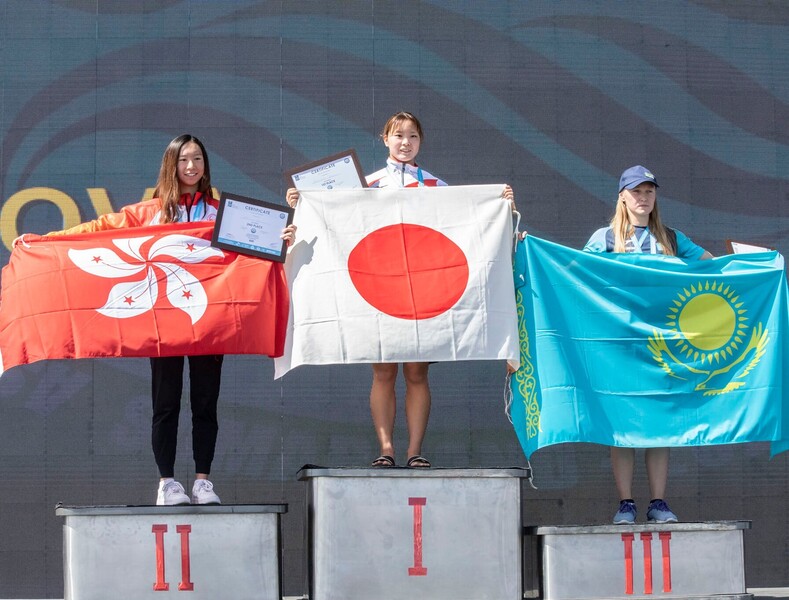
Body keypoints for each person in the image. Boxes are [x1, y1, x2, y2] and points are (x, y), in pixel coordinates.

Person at [17, 134, 296, 505]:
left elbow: (259, 251)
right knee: (165, 403)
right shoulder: (150, 212)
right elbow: (99, 229)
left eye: (198, 159)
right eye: (184, 160)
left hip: (208, 320)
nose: (192, 167)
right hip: (162, 321)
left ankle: (202, 482)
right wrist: (47, 238)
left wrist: (284, 238)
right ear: (171, 165)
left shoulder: (222, 213)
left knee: (205, 403)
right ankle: (167, 483)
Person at [286, 111, 515, 469]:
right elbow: (332, 215)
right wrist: (302, 203)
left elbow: (465, 223)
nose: (405, 142)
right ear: (385, 139)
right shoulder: (366, 184)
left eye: (412, 136)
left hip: (422, 289)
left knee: (416, 372)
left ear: (420, 142)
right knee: (383, 371)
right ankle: (387, 448)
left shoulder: (438, 186)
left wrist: (499, 202)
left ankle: (414, 451)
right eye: (398, 136)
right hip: (379, 286)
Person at [584, 165, 713, 524]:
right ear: (622, 196)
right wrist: (531, 248)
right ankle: (626, 502)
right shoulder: (605, 238)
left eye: (649, 192)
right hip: (620, 345)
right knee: (622, 425)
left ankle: (658, 502)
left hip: (660, 346)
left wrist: (753, 265)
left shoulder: (670, 238)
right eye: (636, 192)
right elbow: (574, 274)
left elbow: (713, 268)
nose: (643, 198)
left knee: (658, 424)